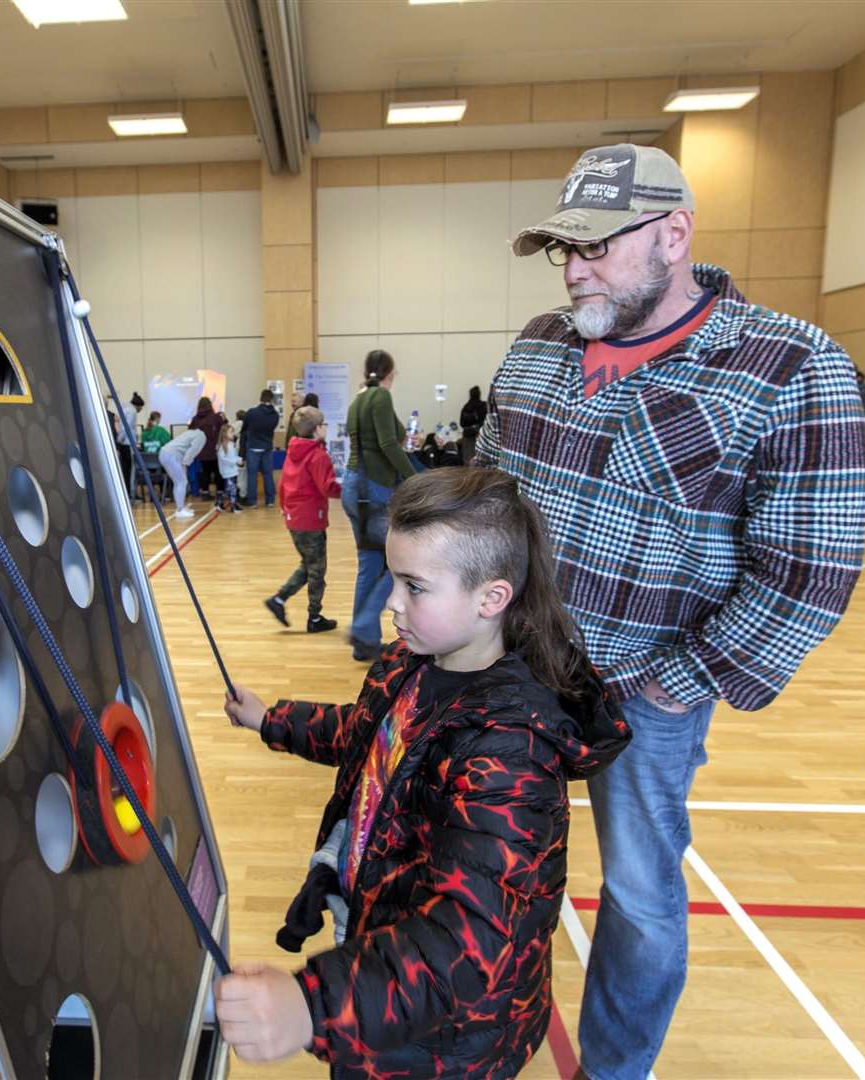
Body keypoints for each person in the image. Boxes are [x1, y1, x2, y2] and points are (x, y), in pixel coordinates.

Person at [479, 142, 865, 1079]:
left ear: (674, 234)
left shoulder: (791, 367)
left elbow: (811, 571)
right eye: (560, 250)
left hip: (644, 696)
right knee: (481, 861)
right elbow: (486, 494)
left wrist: (672, 688)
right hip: (511, 673)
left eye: (596, 246)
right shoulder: (539, 346)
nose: (573, 269)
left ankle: (615, 1070)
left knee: (643, 898)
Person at [217, 468, 630, 1076]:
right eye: (393, 579)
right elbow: (365, 735)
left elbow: (466, 941)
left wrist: (310, 1005)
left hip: (448, 1040)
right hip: (382, 961)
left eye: (415, 586)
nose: (391, 603)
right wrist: (271, 719)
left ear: (491, 598)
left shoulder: (508, 750)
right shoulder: (414, 662)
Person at [342, 350, 420, 663]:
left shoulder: (359, 398)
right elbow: (389, 445)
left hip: (353, 486)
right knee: (395, 566)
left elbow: (386, 438)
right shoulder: (381, 399)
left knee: (370, 565)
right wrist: (414, 479)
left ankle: (365, 643)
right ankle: (362, 626)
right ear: (390, 372)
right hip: (375, 487)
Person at [264, 406, 340, 633]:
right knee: (317, 570)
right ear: (317, 429)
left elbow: (283, 483)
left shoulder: (294, 450)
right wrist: (350, 490)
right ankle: (314, 617)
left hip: (294, 517)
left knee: (309, 565)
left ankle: (278, 600)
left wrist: (283, 506)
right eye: (324, 424)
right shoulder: (318, 455)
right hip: (310, 520)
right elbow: (328, 488)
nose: (326, 427)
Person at [242, 388, 282, 508]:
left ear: (261, 398)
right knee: (268, 474)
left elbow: (245, 429)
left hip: (253, 446)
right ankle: (270, 500)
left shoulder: (251, 412)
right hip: (267, 447)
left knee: (252, 475)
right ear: (272, 400)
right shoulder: (275, 415)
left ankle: (252, 501)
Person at [158, 426, 207, 519]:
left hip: (166, 453)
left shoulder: (192, 432)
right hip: (171, 455)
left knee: (179, 482)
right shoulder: (202, 436)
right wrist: (185, 463)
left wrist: (184, 463)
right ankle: (180, 510)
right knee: (181, 482)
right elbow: (192, 451)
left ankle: (180, 508)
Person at [188, 396, 224, 498]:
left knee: (205, 472)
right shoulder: (216, 417)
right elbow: (223, 430)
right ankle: (220, 492)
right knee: (217, 471)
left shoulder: (195, 419)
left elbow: (190, 433)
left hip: (201, 450)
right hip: (215, 450)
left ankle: (205, 492)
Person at [215, 423, 244, 514]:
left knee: (230, 489)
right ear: (224, 434)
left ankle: (221, 503)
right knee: (232, 489)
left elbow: (234, 456)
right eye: (231, 432)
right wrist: (234, 461)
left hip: (233, 471)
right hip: (227, 472)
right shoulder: (222, 446)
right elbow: (223, 459)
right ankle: (233, 506)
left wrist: (239, 460)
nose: (233, 434)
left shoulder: (231, 444)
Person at [458, 386, 487, 463]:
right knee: (480, 460)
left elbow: (461, 423)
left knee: (468, 460)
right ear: (479, 394)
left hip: (467, 436)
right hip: (480, 436)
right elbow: (487, 421)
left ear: (470, 395)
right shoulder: (484, 406)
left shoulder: (466, 407)